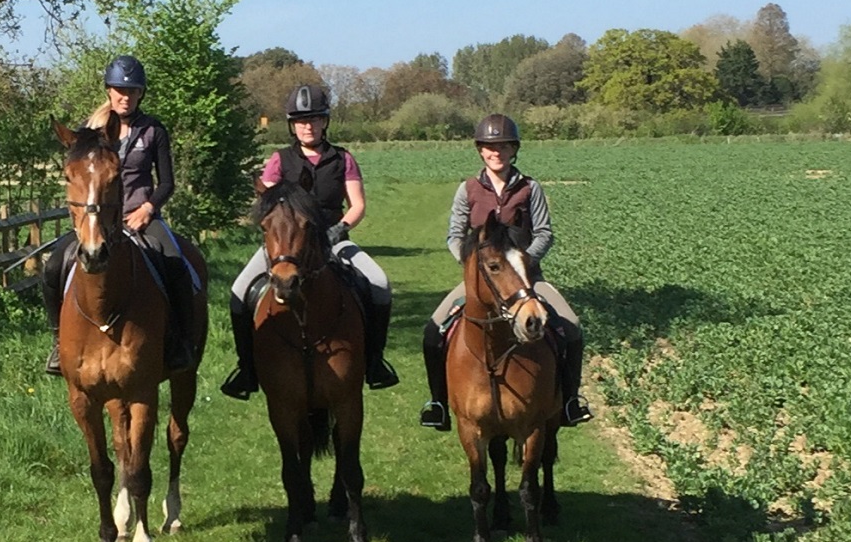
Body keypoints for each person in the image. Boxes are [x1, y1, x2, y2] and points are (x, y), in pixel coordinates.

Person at [220, 83, 400, 398]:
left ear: (325, 122)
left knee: (379, 282)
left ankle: (373, 361)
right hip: (286, 246)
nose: (308, 126)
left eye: (315, 119)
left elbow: (357, 205)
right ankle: (246, 369)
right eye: (302, 120)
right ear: (292, 124)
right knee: (238, 292)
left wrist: (340, 228)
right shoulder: (280, 160)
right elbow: (267, 200)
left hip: (333, 239)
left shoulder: (342, 159)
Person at [419, 114, 593, 430]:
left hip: (528, 282)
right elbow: (454, 235)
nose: (495, 152)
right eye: (489, 146)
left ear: (514, 149)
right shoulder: (468, 189)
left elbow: (544, 233)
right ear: (480, 150)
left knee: (572, 327)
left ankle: (569, 402)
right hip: (480, 283)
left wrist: (522, 263)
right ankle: (439, 404)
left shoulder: (530, 189)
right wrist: (473, 266)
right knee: (433, 331)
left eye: (502, 146)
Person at [43, 55, 197, 377]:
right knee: (55, 265)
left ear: (141, 94)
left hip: (141, 216)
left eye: (132, 91)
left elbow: (167, 182)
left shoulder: (153, 131)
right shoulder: (90, 132)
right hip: (97, 221)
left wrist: (148, 208)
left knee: (176, 263)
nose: (124, 97)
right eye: (118, 90)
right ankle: (60, 344)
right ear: (108, 91)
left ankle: (179, 342)